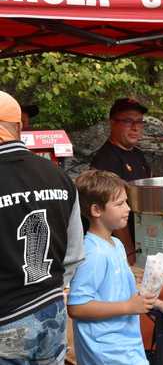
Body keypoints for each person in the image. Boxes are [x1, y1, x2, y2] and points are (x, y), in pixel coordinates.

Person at [0, 91, 84, 363]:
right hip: (52, 308)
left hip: (7, 316)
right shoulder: (58, 175)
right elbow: (74, 252)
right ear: (19, 127)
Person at [68, 170, 163, 365]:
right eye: (120, 203)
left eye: (126, 202)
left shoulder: (116, 244)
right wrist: (128, 307)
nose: (128, 208)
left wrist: (158, 304)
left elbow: (125, 289)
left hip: (125, 345)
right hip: (106, 351)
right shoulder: (93, 253)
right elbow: (77, 307)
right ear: (96, 210)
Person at [91, 97, 151, 264]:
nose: (135, 127)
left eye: (139, 122)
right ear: (112, 123)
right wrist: (130, 256)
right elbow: (112, 212)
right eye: (128, 121)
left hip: (143, 242)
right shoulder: (105, 160)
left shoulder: (138, 155)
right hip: (120, 252)